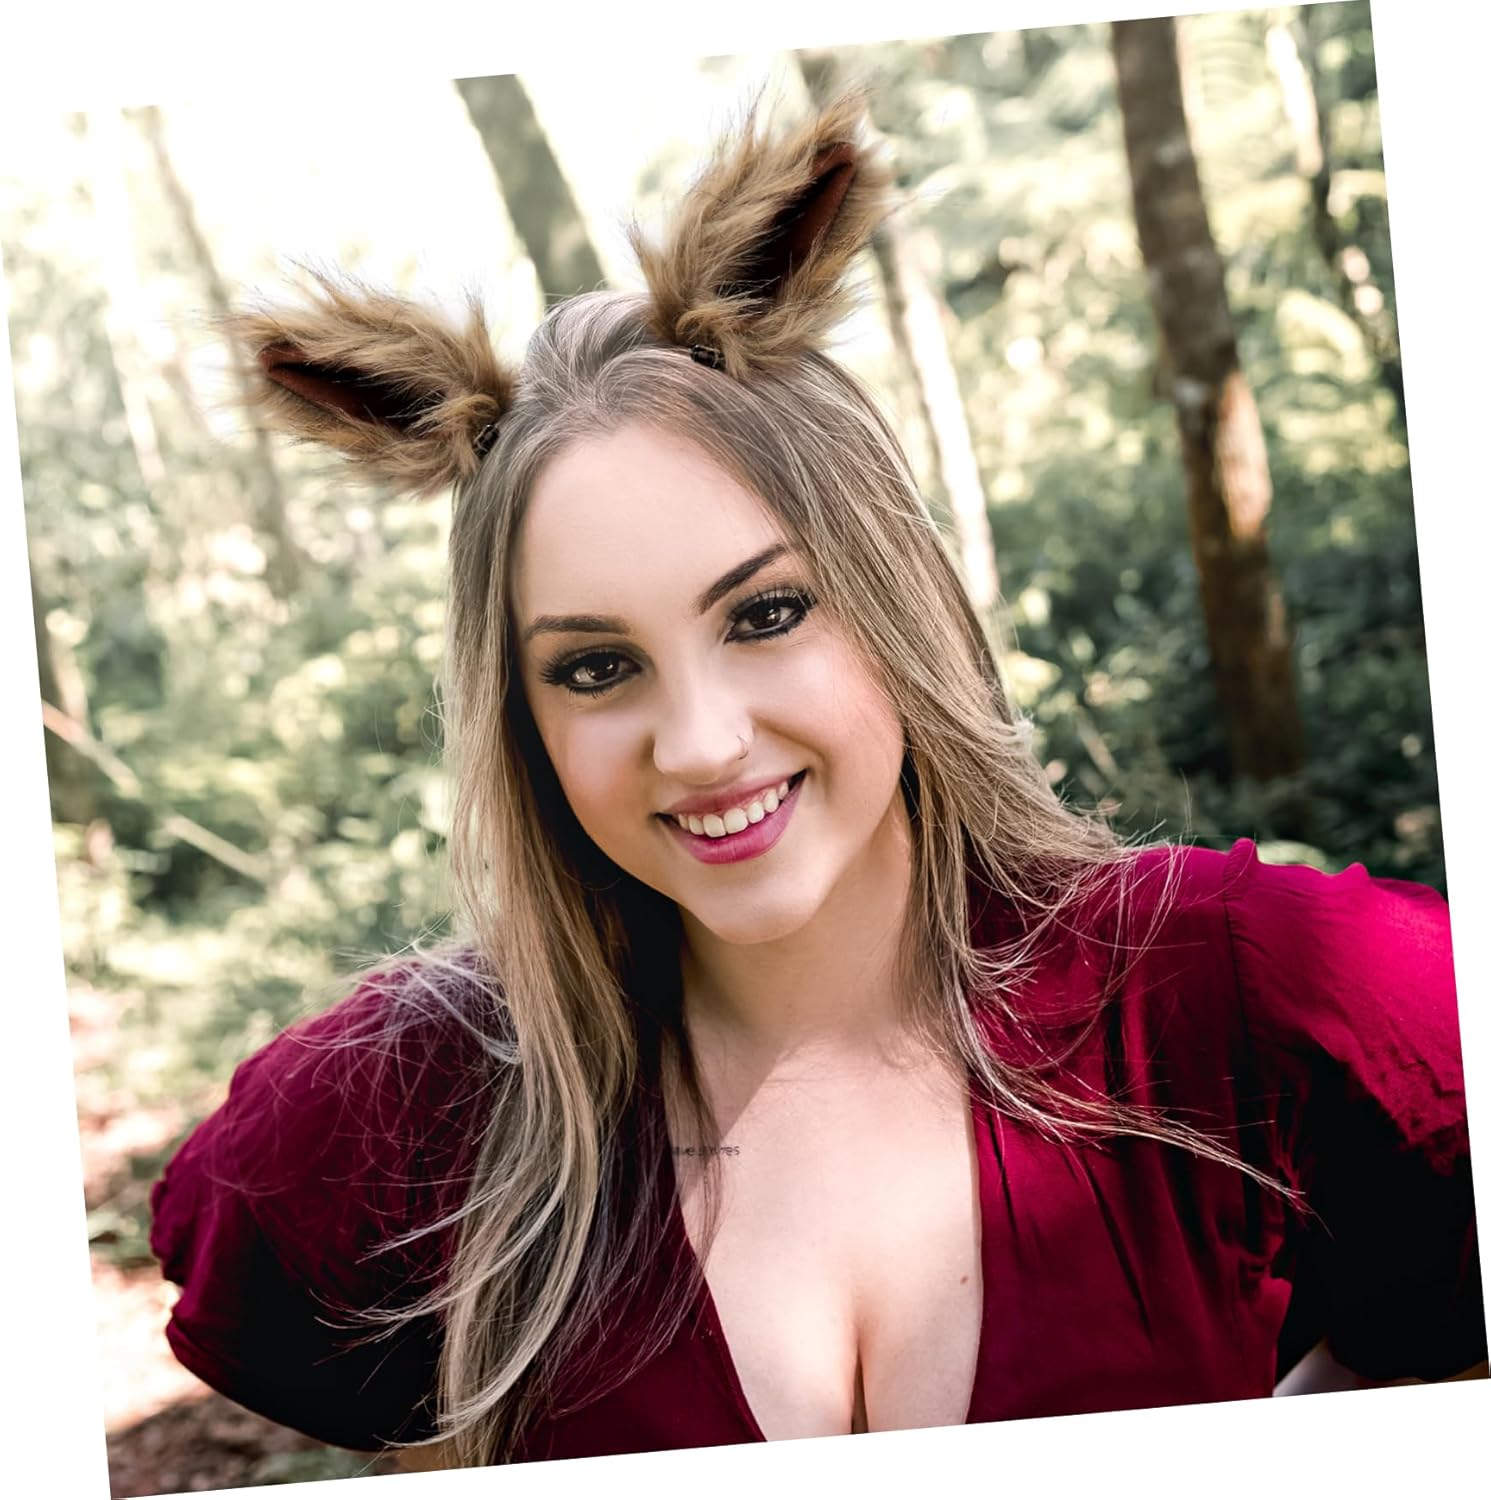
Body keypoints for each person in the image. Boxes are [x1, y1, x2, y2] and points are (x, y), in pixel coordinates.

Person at [148, 91, 1484, 1471]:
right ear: (522, 720)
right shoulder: (424, 1103)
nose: (701, 742)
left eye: (767, 614)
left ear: (889, 602)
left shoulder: (1231, 993)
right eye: (596, 668)